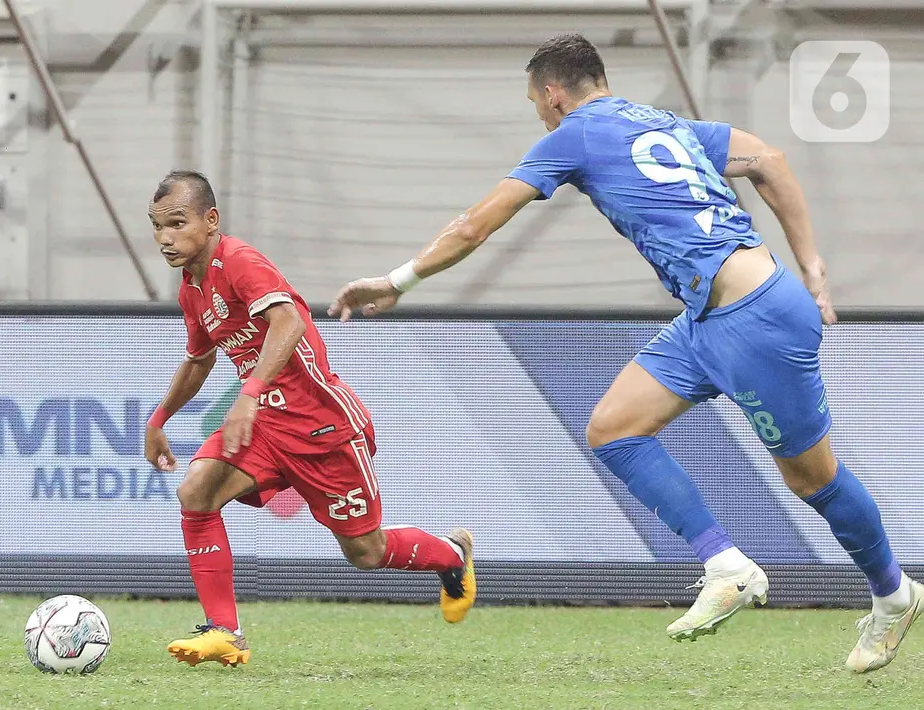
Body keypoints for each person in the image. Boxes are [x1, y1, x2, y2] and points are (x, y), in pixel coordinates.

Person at [327, 33, 919, 674]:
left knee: (813, 480)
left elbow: (475, 223)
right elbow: (770, 159)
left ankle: (893, 597)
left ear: (554, 94)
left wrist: (396, 281)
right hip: (708, 316)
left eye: (536, 103)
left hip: (755, 322)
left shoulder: (573, 133)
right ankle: (726, 565)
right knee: (613, 428)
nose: (540, 115)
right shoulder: (663, 123)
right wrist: (811, 263)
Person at [144, 170, 477, 668]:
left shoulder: (238, 260)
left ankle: (452, 554)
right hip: (262, 429)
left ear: (211, 220)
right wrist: (158, 419)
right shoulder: (192, 288)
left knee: (366, 552)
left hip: (321, 426)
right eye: (156, 225)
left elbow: (290, 321)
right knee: (196, 492)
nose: (165, 237)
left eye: (177, 222)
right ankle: (225, 632)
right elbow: (199, 359)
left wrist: (250, 391)